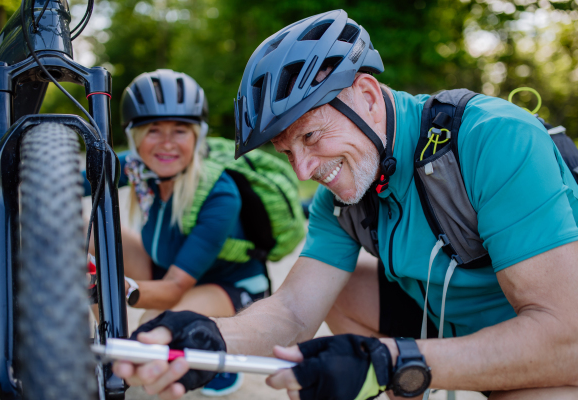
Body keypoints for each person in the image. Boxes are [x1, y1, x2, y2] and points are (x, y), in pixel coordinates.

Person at [113, 10, 578, 400]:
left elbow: (565, 340)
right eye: (286, 150)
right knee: (348, 287)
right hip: (449, 320)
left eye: (311, 136)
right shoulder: (340, 198)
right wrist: (208, 338)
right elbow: (293, 312)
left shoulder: (493, 137)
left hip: (543, 339)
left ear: (368, 96)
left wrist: (392, 362)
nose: (302, 169)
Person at [86, 69, 273, 396]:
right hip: (169, 268)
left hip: (229, 285)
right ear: (135, 137)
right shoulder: (137, 167)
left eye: (180, 131)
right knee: (80, 229)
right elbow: (66, 180)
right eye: (153, 130)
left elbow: (173, 289)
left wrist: (115, 288)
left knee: (150, 330)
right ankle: (112, 343)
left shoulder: (220, 194)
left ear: (197, 136)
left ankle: (213, 352)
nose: (167, 143)